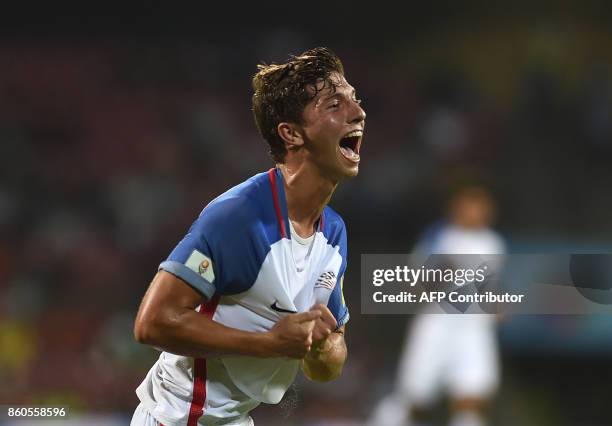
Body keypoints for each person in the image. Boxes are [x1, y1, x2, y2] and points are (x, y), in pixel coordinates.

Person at [130, 47, 365, 426]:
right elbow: (152, 322)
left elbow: (326, 368)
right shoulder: (239, 218)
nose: (358, 112)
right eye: (335, 105)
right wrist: (269, 344)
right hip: (177, 419)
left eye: (355, 99)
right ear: (291, 134)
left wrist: (323, 347)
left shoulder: (333, 232)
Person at [369, 186, 505, 426]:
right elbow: (414, 286)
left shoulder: (494, 244)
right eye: (470, 205)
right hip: (437, 324)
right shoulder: (439, 237)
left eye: (482, 206)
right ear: (456, 208)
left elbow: (488, 288)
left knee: (472, 398)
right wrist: (438, 274)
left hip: (473, 328)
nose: (476, 211)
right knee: (414, 399)